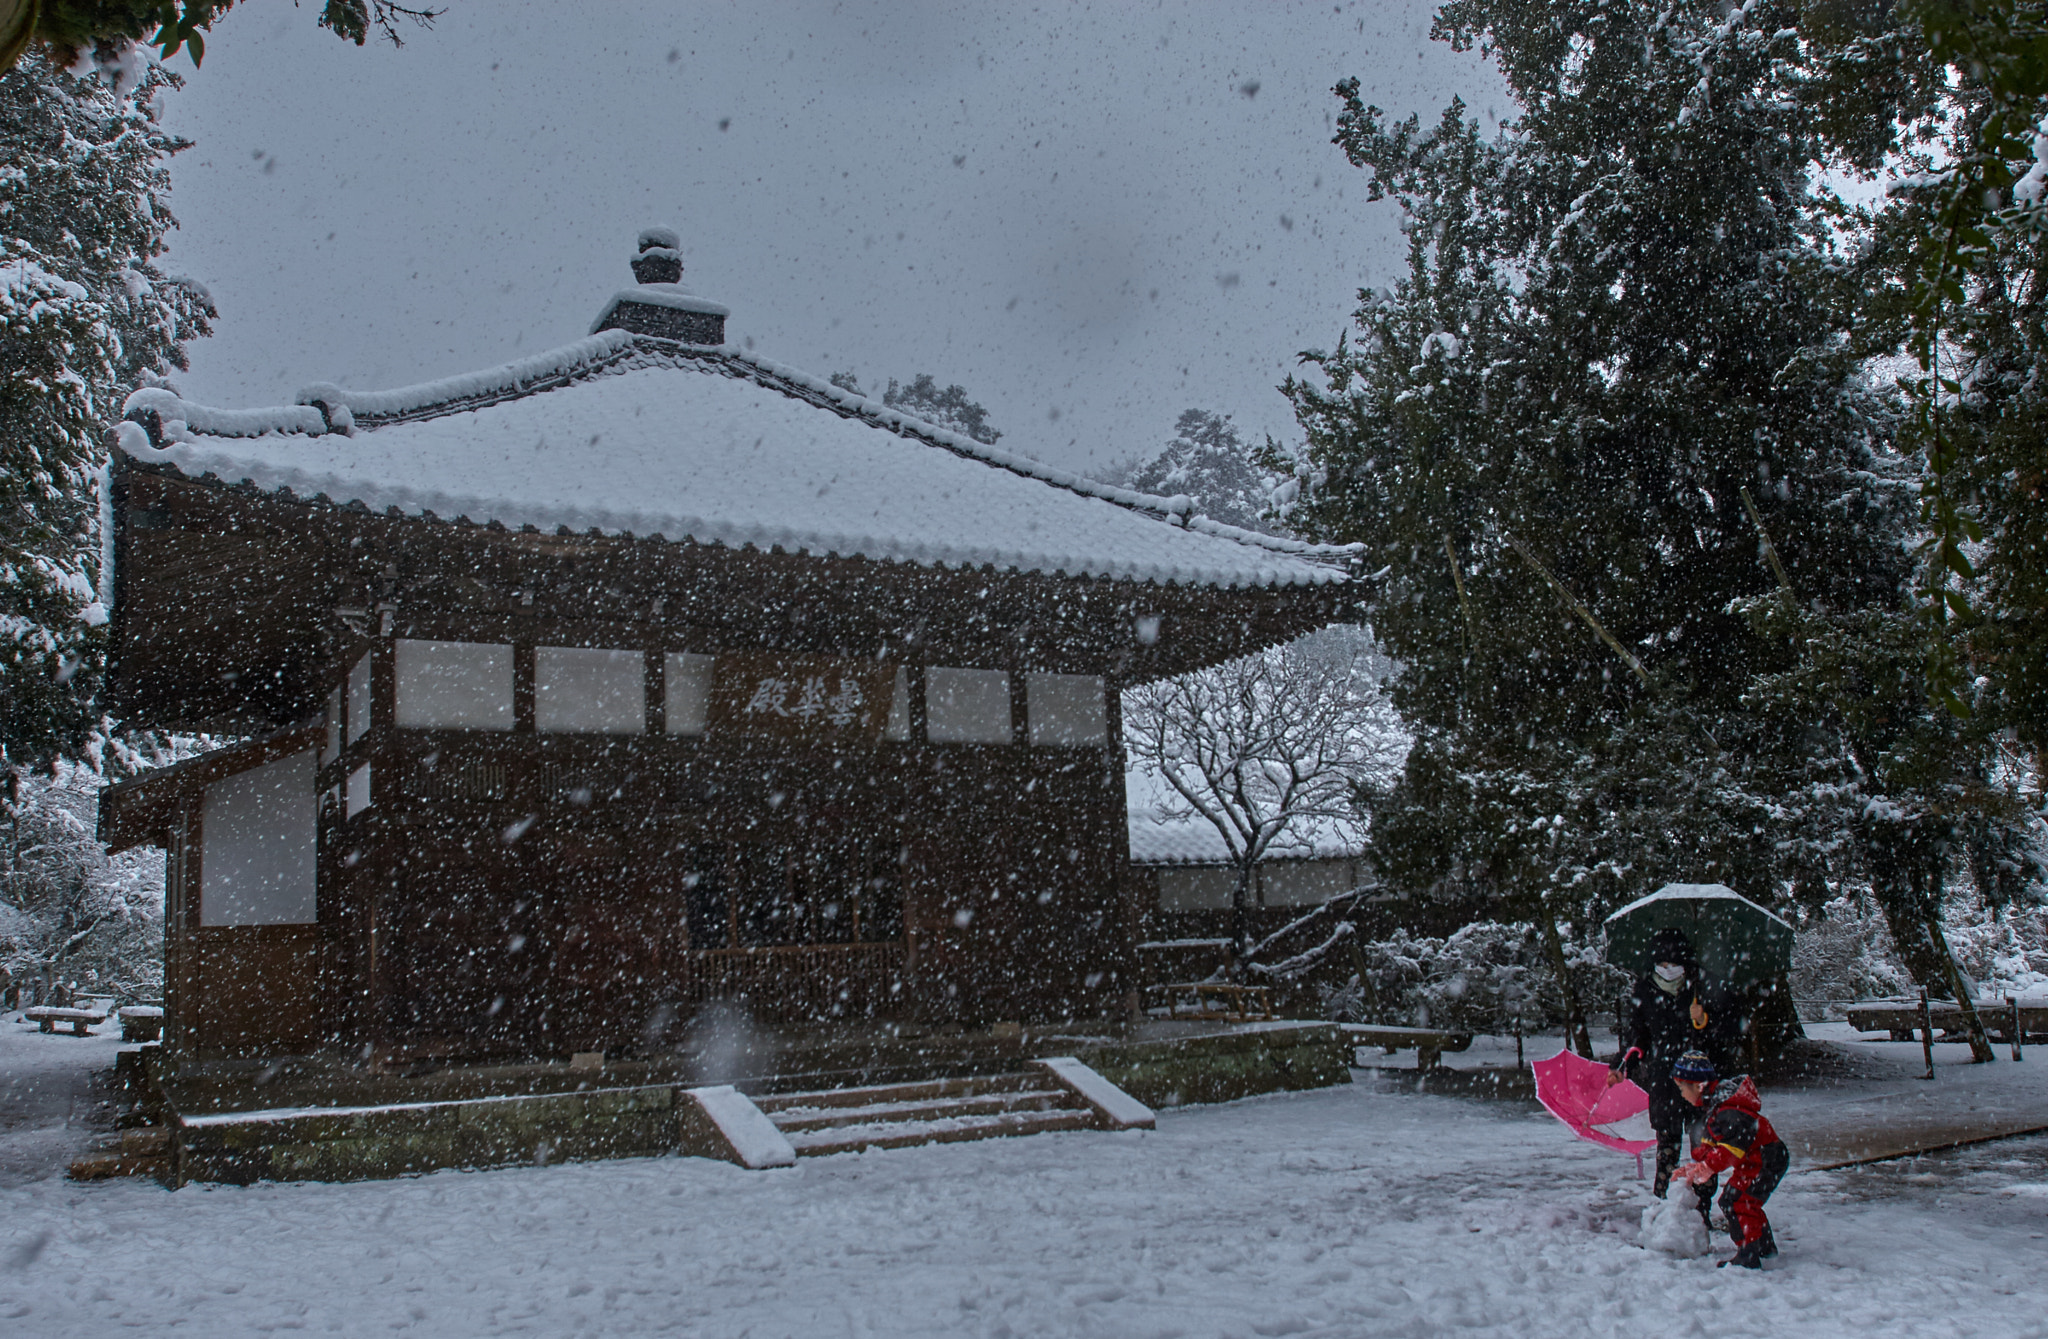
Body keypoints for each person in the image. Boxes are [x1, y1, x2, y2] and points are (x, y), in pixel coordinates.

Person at [1608, 926, 1732, 1198]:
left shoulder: (1703, 985)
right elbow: (1638, 1036)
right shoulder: (1645, 989)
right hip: (1664, 1077)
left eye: (1673, 963)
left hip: (1700, 1081)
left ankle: (1701, 1208)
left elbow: (1725, 1035)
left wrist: (1702, 1021)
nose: (1667, 968)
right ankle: (1663, 1205)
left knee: (1704, 1149)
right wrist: (1621, 1065)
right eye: (1662, 963)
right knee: (1667, 1148)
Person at [1672, 1050, 1789, 1270]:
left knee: (1738, 1201)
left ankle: (1749, 1253)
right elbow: (1712, 1140)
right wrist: (1699, 1162)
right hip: (1758, 1160)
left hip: (1765, 1159)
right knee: (1741, 1200)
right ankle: (1764, 1247)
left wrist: (1709, 1166)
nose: (1681, 1094)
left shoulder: (1728, 1110)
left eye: (1682, 1088)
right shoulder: (1717, 1107)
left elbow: (1730, 1148)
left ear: (1698, 1086)